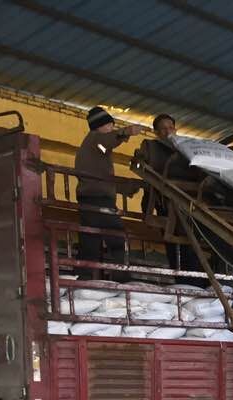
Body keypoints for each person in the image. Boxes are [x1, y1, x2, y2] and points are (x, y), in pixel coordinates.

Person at [135, 113, 204, 285]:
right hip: (167, 204)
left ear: (176, 129)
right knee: (176, 248)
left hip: (191, 205)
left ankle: (195, 284)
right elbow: (149, 179)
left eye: (171, 128)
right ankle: (184, 283)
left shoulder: (187, 150)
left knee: (192, 247)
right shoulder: (153, 148)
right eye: (163, 129)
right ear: (156, 132)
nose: (168, 131)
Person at [74, 106, 136, 280]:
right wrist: (126, 132)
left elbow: (100, 175)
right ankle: (122, 278)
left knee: (90, 238)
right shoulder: (96, 139)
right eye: (109, 125)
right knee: (116, 235)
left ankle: (85, 277)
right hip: (99, 200)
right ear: (98, 126)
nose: (111, 128)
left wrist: (124, 189)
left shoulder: (96, 148)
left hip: (88, 199)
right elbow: (109, 140)